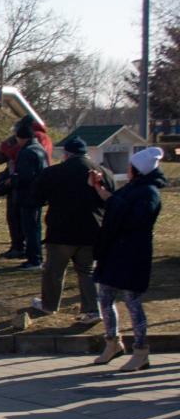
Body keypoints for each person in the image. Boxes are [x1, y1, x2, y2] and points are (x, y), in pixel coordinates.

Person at [90, 147, 165, 372]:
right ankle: (112, 342)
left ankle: (141, 352)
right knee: (105, 297)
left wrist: (115, 205)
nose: (128, 169)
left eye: (131, 166)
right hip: (114, 251)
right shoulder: (131, 189)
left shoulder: (149, 193)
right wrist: (98, 187)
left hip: (133, 254)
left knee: (132, 301)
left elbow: (135, 220)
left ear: (138, 170)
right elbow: (114, 204)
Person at [29, 136, 113, 319]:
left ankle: (49, 305)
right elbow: (111, 200)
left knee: (54, 271)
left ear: (66, 154)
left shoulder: (53, 173)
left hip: (61, 231)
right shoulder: (103, 172)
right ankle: (92, 310)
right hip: (92, 231)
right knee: (87, 271)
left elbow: (35, 198)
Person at [14, 120, 49, 270]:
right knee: (35, 227)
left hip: (28, 195)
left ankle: (34, 259)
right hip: (38, 194)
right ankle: (35, 257)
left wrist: (13, 179)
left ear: (22, 138)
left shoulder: (27, 152)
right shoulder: (40, 149)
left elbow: (25, 176)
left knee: (30, 229)